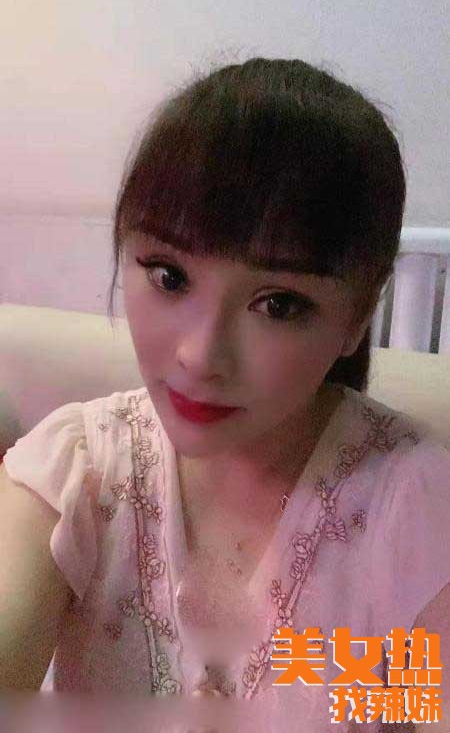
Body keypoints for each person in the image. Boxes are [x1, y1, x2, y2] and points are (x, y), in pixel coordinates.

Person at [1, 56, 449, 731]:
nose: (201, 356)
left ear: (358, 315)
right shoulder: (77, 473)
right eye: (169, 276)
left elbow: (417, 705)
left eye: (279, 303)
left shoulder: (411, 505)